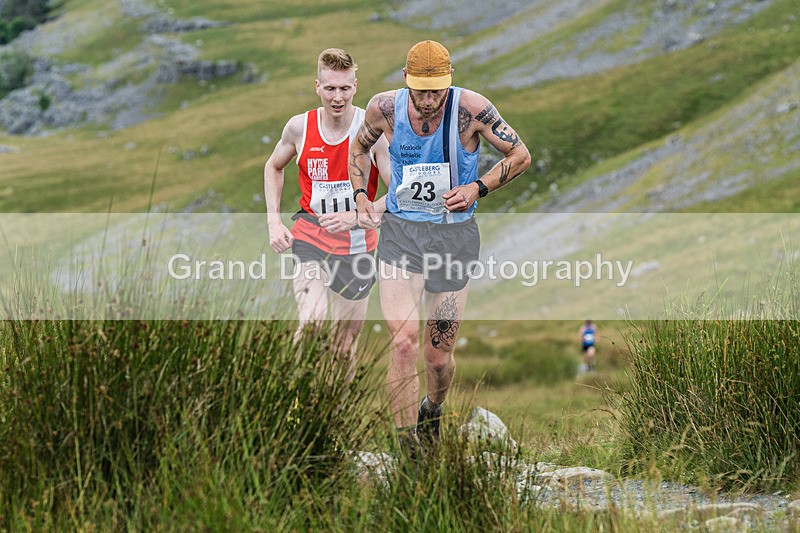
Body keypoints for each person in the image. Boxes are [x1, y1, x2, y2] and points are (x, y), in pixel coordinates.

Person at [348, 40, 532, 453]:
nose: (429, 101)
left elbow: (521, 154)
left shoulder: (471, 109)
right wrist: (361, 194)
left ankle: (432, 410)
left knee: (436, 357)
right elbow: (358, 148)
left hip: (454, 237)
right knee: (403, 343)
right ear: (406, 83)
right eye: (421, 92)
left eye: (437, 91)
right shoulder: (383, 108)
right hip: (401, 234)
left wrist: (477, 187)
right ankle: (407, 447)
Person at [264, 48, 390, 378]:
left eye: (345, 88)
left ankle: (333, 418)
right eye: (330, 88)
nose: (338, 97)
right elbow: (273, 166)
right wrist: (274, 221)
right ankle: (283, 400)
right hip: (311, 239)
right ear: (317, 86)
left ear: (356, 86)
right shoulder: (299, 128)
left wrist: (357, 214)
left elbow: (398, 194)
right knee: (311, 323)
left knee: (343, 346)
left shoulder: (372, 131)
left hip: (359, 246)